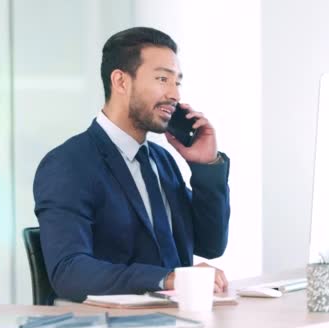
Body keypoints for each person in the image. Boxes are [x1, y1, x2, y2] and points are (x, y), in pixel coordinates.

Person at [33, 27, 231, 302]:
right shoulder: (68, 164)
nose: (175, 94)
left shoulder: (161, 162)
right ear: (121, 82)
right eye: (163, 79)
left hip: (177, 322)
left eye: (178, 82)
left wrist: (206, 166)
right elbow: (69, 272)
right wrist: (166, 278)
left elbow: (211, 245)